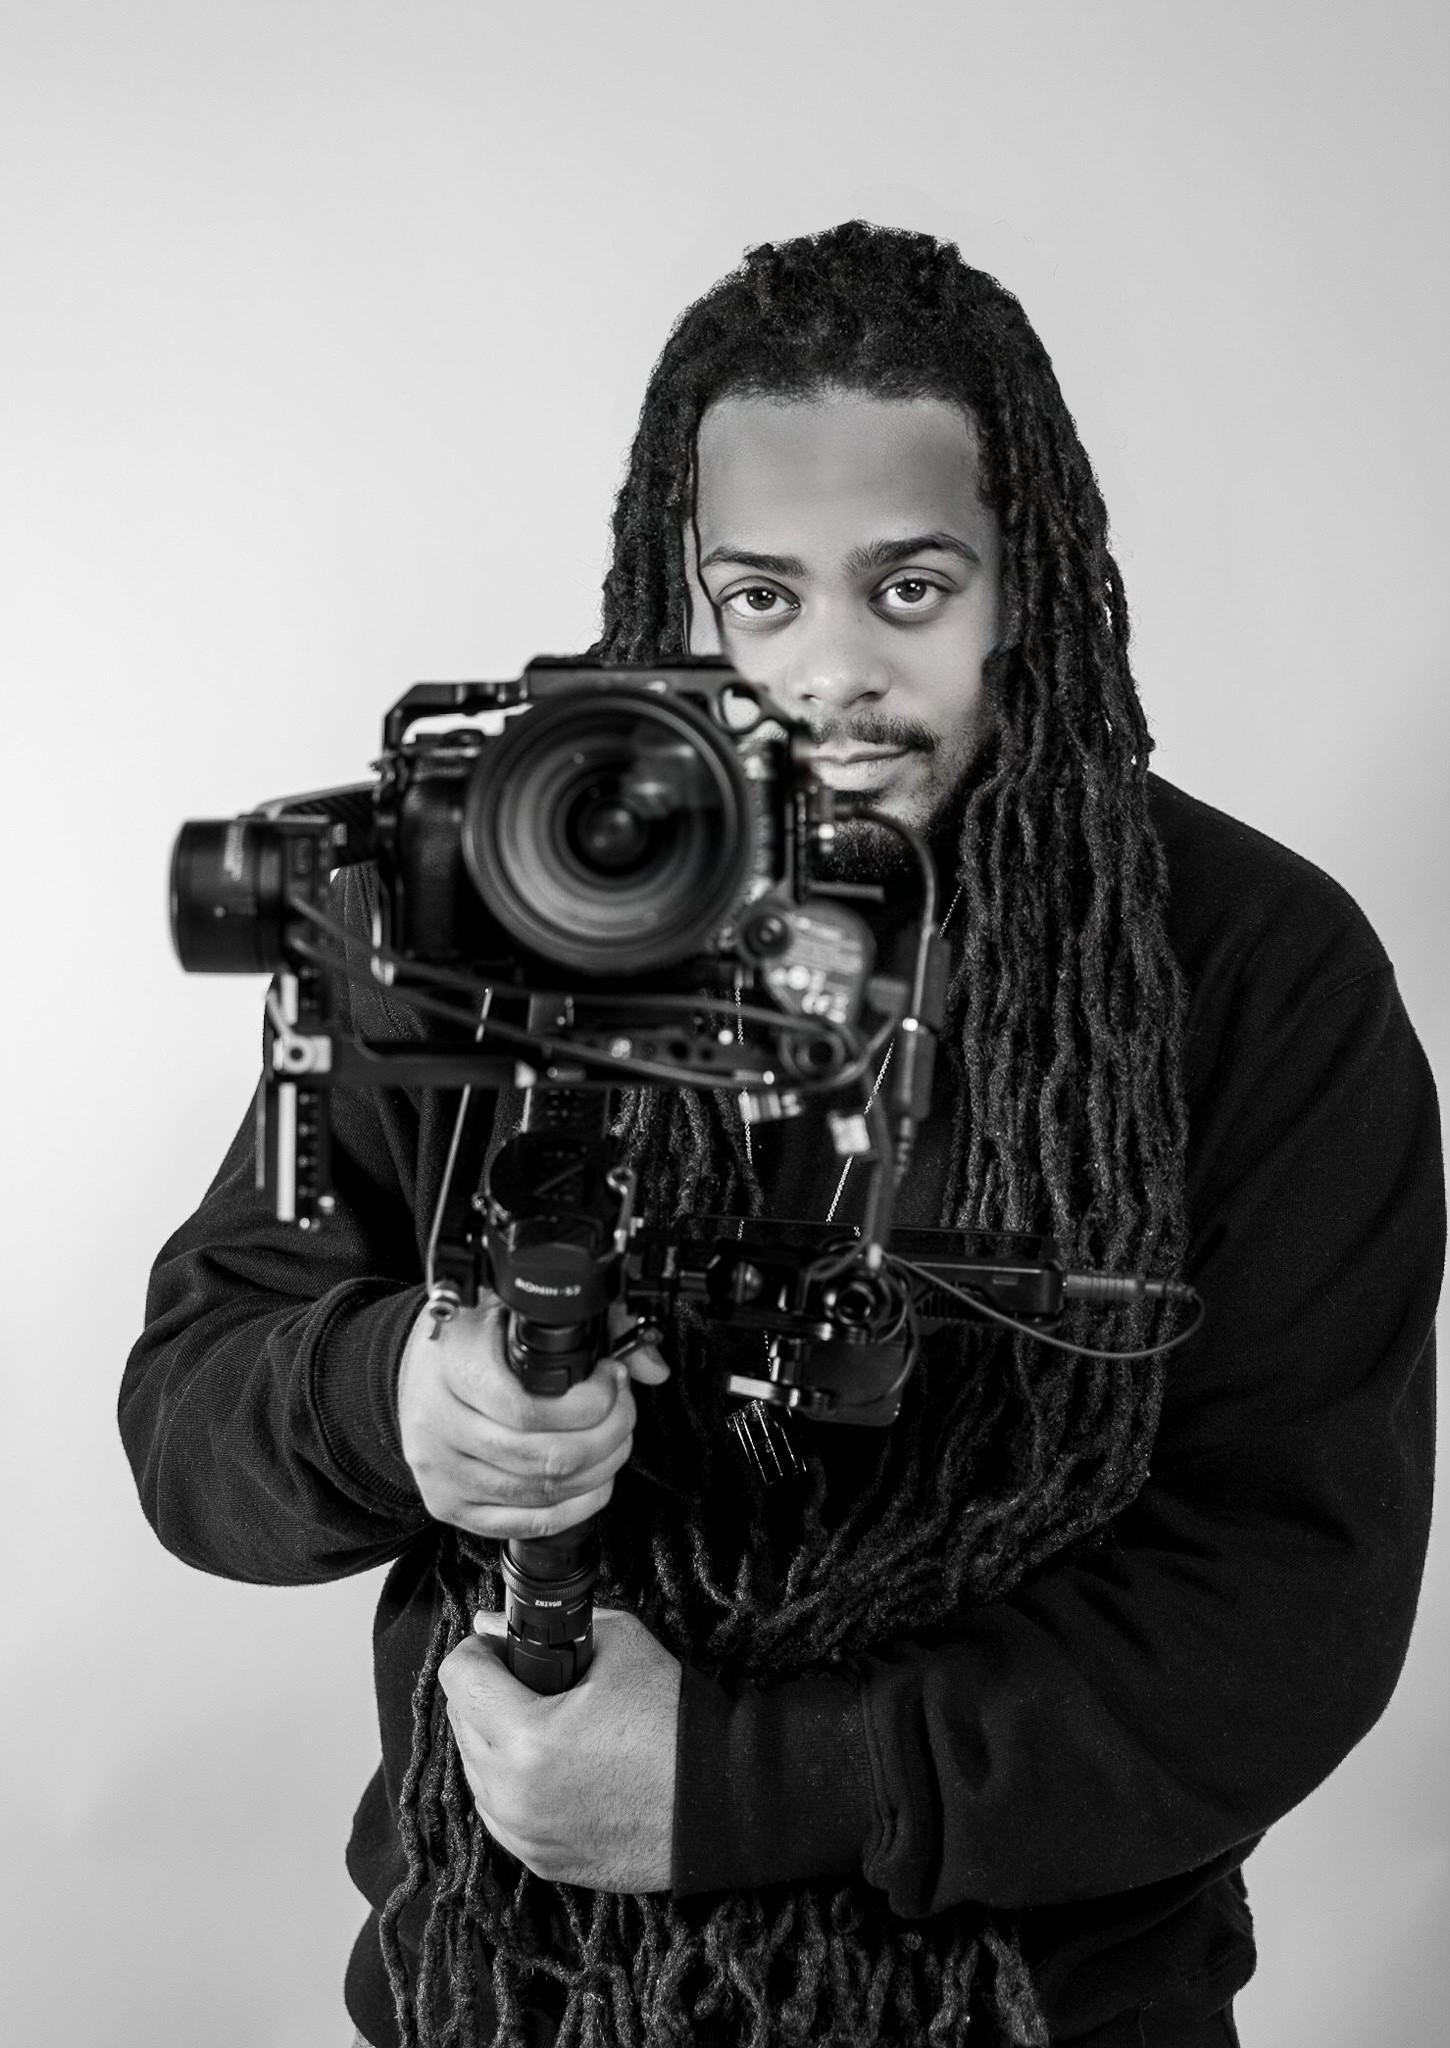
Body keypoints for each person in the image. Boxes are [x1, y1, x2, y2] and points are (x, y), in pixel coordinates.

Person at [121, 223, 1443, 2048]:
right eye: (760, 596)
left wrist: (746, 1786)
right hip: (507, 1990)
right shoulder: (476, 907)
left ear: (1024, 581)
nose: (830, 672)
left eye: (907, 588)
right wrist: (394, 1400)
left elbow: (1285, 1609)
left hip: (1040, 2012)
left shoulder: (1250, 964)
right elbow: (192, 1418)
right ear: (674, 595)